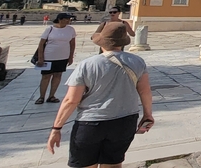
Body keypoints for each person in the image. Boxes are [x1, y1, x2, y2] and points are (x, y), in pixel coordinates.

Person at [46, 22, 154, 167]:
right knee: (113, 164)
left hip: (91, 123)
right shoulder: (138, 61)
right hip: (125, 121)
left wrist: (56, 128)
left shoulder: (87, 64)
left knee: (85, 165)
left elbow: (71, 100)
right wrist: (148, 114)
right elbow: (145, 91)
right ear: (122, 43)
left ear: (101, 42)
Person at [36, 14, 77, 105]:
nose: (68, 21)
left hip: (63, 57)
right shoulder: (50, 29)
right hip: (48, 57)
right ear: (60, 19)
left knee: (58, 76)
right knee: (46, 76)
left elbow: (72, 44)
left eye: (69, 19)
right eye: (66, 19)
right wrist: (40, 57)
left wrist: (71, 57)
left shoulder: (70, 29)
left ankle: (52, 96)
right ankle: (41, 96)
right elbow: (41, 44)